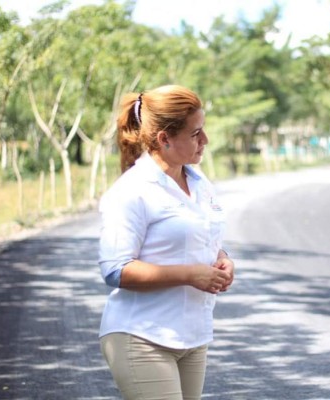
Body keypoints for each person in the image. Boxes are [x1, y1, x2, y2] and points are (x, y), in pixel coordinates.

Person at [98, 84, 235, 400]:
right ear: (165, 139)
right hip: (142, 336)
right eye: (195, 133)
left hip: (193, 335)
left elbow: (201, 238)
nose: (205, 141)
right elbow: (116, 270)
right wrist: (189, 274)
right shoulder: (132, 191)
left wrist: (223, 258)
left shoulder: (200, 184)